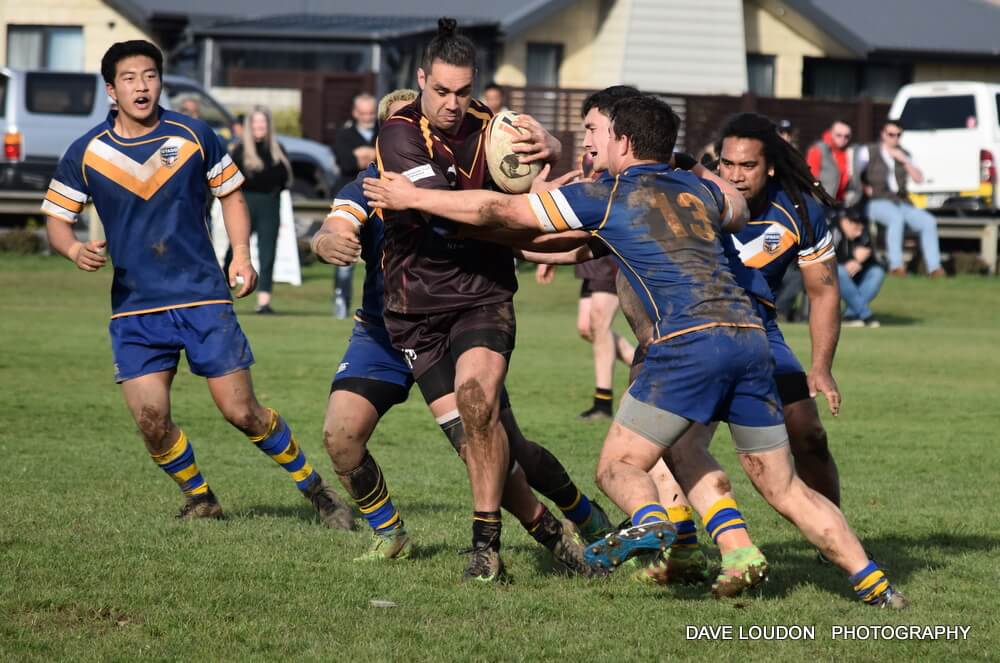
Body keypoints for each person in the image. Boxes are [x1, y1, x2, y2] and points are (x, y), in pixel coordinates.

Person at [364, 94, 908, 609]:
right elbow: (738, 205)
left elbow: (496, 210)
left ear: (623, 141)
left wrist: (412, 197)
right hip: (750, 337)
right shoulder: (701, 190)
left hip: (685, 344)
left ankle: (650, 520)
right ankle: (876, 586)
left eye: (600, 134)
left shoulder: (606, 195)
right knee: (779, 484)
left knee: (618, 466)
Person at [41, 40, 352, 528]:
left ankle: (317, 491)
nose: (142, 85)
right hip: (135, 308)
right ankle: (201, 497)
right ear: (111, 90)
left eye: (150, 75)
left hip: (202, 296)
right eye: (129, 78)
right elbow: (58, 220)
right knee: (150, 420)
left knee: (242, 411)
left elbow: (231, 195)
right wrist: (72, 248)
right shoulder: (86, 153)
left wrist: (243, 257)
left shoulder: (193, 133)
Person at [309, 89, 610, 570]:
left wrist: (577, 240)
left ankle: (580, 518)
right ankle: (390, 532)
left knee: (505, 449)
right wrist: (328, 243)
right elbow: (338, 225)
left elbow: (513, 238)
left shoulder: (455, 189)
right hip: (385, 334)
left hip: (457, 323)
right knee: (340, 435)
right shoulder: (367, 188)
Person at [369, 18, 566, 582]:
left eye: (463, 91)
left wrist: (548, 145)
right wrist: (520, 220)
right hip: (415, 307)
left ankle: (485, 549)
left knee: (479, 403)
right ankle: (559, 530)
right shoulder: (399, 133)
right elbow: (453, 216)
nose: (453, 104)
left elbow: (540, 157)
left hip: (481, 293)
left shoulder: (494, 125)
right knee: (486, 442)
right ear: (421, 78)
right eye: (441, 91)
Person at [854, 119, 945, 277]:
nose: (894, 138)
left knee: (928, 221)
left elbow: (918, 178)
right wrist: (863, 187)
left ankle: (934, 268)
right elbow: (854, 172)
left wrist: (904, 161)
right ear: (883, 134)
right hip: (876, 201)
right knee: (895, 218)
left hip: (900, 202)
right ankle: (896, 266)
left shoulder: (904, 154)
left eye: (898, 135)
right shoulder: (869, 151)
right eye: (891, 134)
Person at [230, 106, 293, 314]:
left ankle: (264, 300)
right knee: (236, 248)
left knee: (267, 252)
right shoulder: (239, 150)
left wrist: (268, 181)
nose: (259, 127)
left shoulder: (277, 149)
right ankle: (222, 291)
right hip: (245, 203)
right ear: (250, 125)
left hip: (270, 203)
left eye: (263, 122)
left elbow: (283, 178)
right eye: (256, 122)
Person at [331, 93, 378, 318]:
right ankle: (341, 298)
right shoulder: (344, 135)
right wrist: (371, 156)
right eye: (364, 113)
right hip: (351, 197)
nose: (368, 117)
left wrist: (365, 156)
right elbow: (346, 162)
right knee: (344, 248)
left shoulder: (386, 130)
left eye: (371, 112)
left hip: (378, 201)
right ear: (355, 113)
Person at [833, 207, 885, 327]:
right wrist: (850, 260)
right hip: (828, 277)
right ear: (844, 221)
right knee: (839, 271)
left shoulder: (863, 233)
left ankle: (850, 315)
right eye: (855, 224)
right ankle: (866, 315)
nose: (859, 228)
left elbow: (874, 259)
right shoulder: (832, 230)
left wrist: (857, 261)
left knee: (877, 272)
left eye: (860, 224)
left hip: (856, 274)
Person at [806, 119, 854, 204]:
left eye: (846, 136)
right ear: (831, 133)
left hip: (839, 202)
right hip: (819, 201)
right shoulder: (818, 150)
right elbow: (811, 178)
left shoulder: (849, 153)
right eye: (838, 135)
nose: (843, 139)